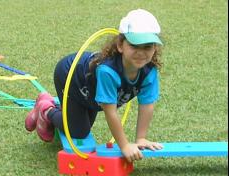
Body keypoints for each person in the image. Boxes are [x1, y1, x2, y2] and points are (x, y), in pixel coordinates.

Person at [25, 9, 163, 163]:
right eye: (134, 45)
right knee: (78, 131)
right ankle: (46, 110)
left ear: (155, 48)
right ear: (120, 45)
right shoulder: (108, 71)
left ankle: (61, 111)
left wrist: (141, 138)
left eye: (147, 46)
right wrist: (124, 145)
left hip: (92, 93)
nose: (141, 52)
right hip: (72, 77)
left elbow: (147, 105)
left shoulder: (149, 71)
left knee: (84, 118)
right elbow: (110, 111)